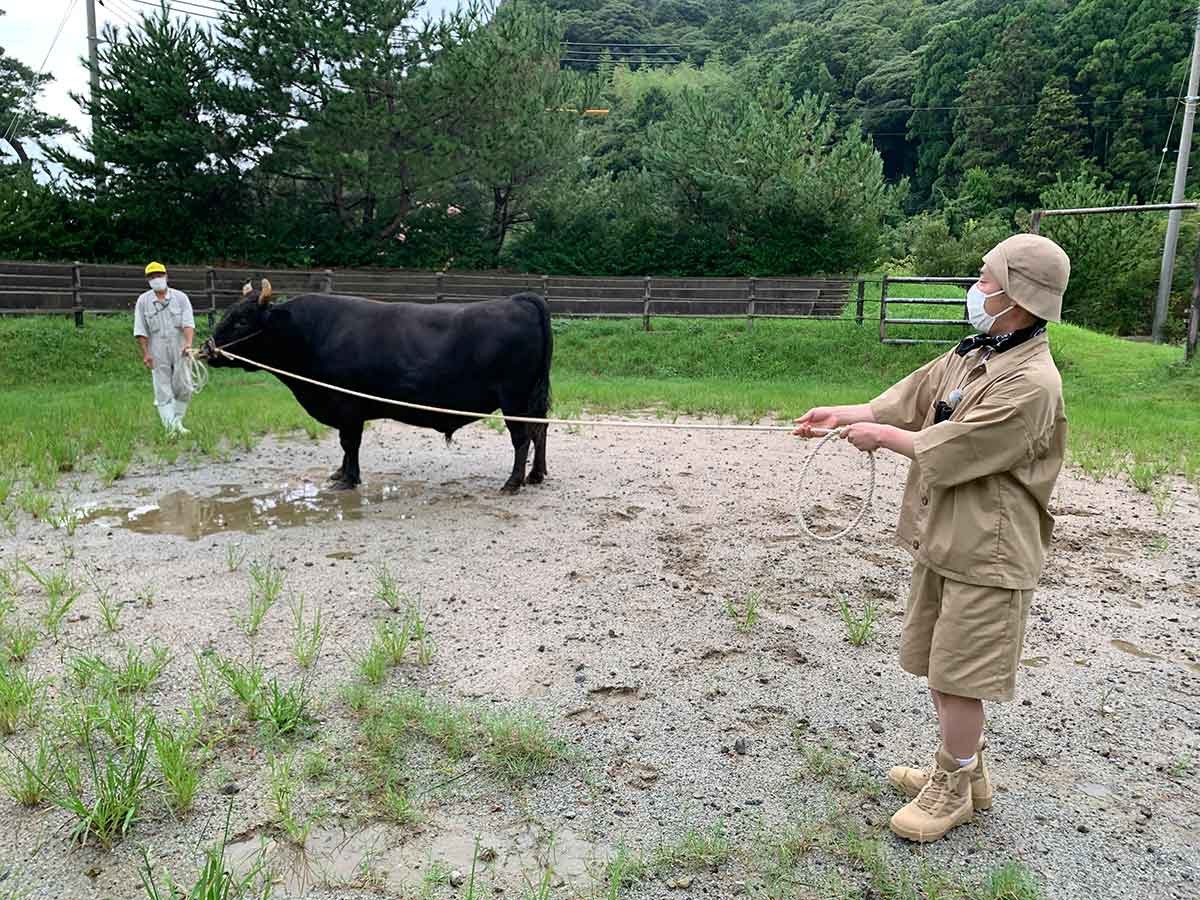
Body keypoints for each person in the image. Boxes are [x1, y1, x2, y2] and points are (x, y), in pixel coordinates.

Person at [794, 233, 1070, 843]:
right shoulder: (979, 353)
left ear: (1017, 293)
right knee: (938, 662)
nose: (977, 287)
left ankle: (953, 787)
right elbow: (907, 402)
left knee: (959, 674)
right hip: (947, 539)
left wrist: (883, 440)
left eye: (986, 276)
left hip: (990, 551)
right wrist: (842, 415)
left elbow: (952, 446)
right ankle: (968, 769)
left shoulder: (1032, 383)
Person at [134, 261, 195, 435]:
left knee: (184, 386)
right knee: (162, 388)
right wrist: (146, 354)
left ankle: (178, 423)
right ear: (148, 280)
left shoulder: (181, 298)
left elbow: (188, 323)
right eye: (152, 277)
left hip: (180, 346)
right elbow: (141, 330)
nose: (156, 279)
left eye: (159, 275)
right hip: (157, 348)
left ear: (166, 276)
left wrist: (188, 344)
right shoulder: (143, 301)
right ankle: (169, 428)